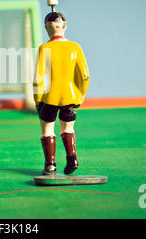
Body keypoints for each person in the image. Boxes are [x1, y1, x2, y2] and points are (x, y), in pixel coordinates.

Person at [33, 10, 90, 175]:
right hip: (71, 97)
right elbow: (84, 76)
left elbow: (38, 78)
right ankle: (72, 157)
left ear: (47, 27)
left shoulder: (45, 49)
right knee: (68, 128)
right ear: (64, 26)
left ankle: (50, 165)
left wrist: (37, 99)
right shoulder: (75, 48)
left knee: (47, 130)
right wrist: (81, 94)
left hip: (49, 98)